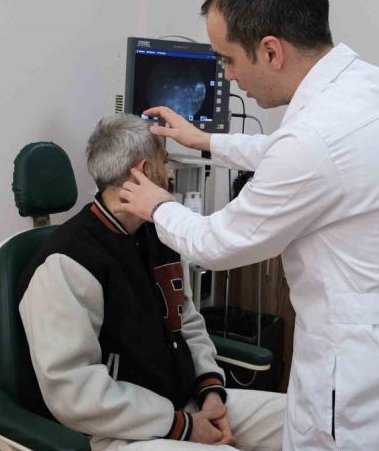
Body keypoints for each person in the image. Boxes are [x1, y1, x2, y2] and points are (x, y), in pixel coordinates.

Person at [117, 0, 379, 451]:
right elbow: (305, 156)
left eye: (228, 59)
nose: (228, 76)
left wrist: (157, 205)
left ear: (271, 51)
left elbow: (216, 244)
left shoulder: (315, 141)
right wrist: (206, 142)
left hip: (361, 394)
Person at [17, 113, 286, 451]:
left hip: (186, 403)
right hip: (118, 430)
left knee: (307, 421)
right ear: (144, 172)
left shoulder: (160, 235)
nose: (171, 173)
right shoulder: (68, 260)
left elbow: (187, 323)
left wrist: (211, 394)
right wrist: (183, 426)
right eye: (165, 161)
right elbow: (74, 391)